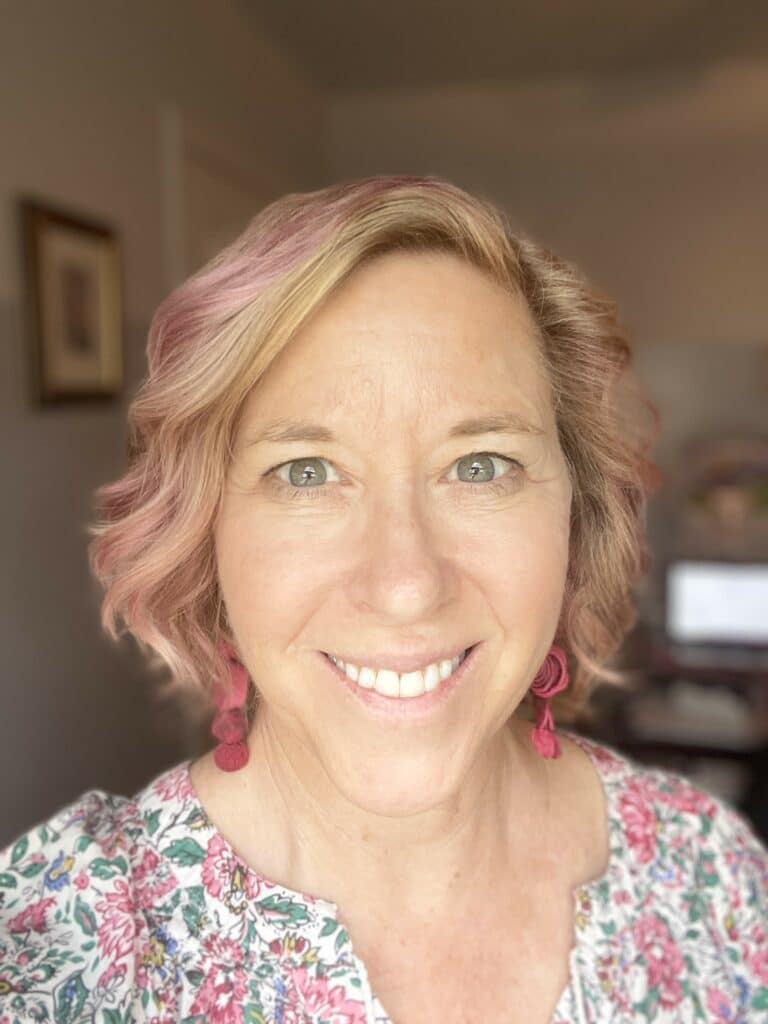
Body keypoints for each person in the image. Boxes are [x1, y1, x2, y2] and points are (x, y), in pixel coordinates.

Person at [1, 175, 766, 1024]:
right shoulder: (60, 948)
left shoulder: (711, 883)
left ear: (576, 517)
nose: (405, 586)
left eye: (480, 465)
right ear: (203, 533)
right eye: (305, 472)